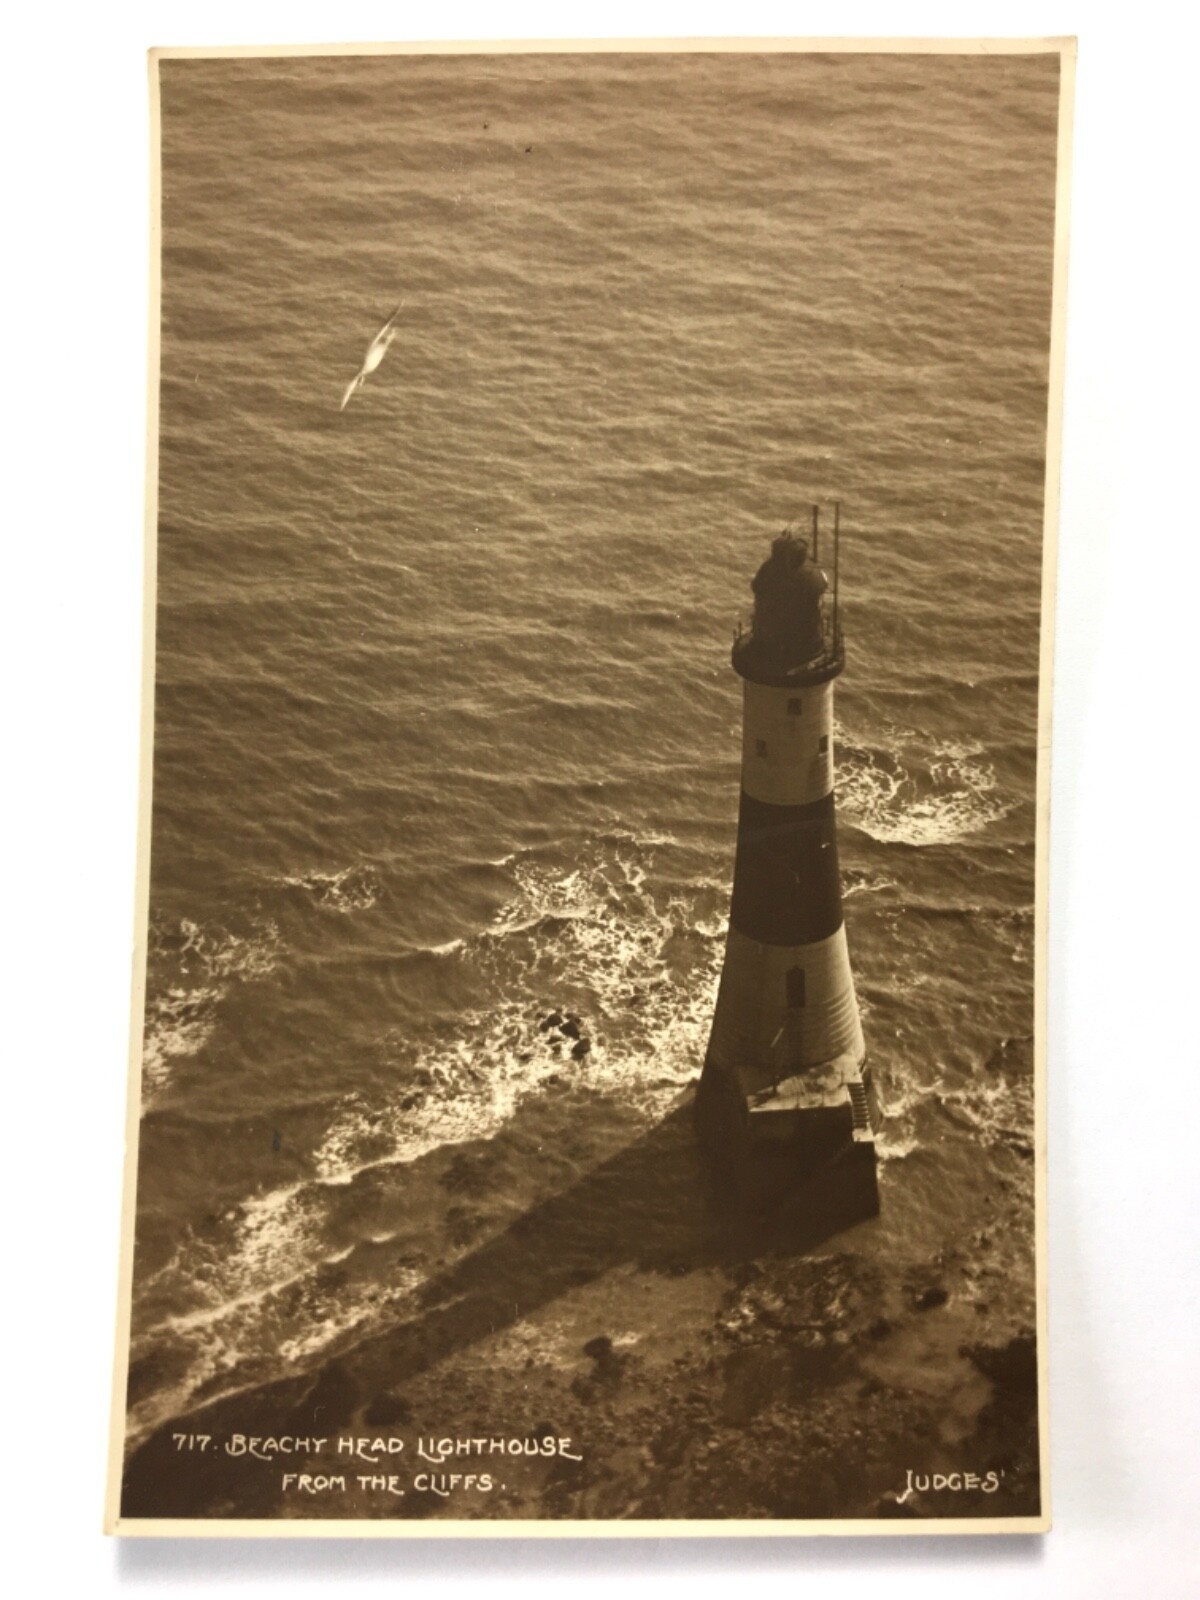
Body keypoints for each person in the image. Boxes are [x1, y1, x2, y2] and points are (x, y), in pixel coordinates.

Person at [750, 533, 827, 664]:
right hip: (808, 646)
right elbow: (823, 583)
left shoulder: (768, 570)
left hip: (766, 645)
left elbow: (757, 586)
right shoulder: (811, 574)